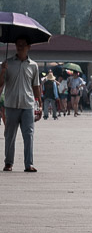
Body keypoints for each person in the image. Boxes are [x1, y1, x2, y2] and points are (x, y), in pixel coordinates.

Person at [2, 35, 44, 172]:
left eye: (23, 44)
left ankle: (28, 164)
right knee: (9, 135)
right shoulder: (7, 63)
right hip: (11, 105)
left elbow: (36, 86)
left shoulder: (33, 66)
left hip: (27, 105)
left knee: (29, 134)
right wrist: (2, 71)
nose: (20, 46)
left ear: (28, 47)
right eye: (18, 44)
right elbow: (0, 84)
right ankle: (8, 163)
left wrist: (40, 105)